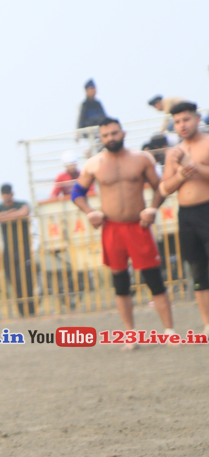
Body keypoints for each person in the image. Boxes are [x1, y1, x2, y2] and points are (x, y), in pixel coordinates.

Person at [73, 118, 174, 349]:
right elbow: (77, 192)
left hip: (138, 226)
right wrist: (90, 212)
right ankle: (130, 335)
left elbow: (160, 188)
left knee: (154, 280)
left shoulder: (141, 159)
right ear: (101, 138)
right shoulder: (94, 164)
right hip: (112, 228)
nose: (110, 138)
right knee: (120, 282)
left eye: (114, 133)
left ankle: (169, 331)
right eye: (105, 135)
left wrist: (152, 209)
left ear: (123, 133)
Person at [160, 102, 209, 333]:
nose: (182, 125)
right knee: (198, 272)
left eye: (186, 119)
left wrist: (193, 166)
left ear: (197, 119)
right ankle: (207, 323)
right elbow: (164, 188)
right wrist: (180, 175)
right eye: (178, 121)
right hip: (187, 215)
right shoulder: (173, 153)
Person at [0, 183, 35, 317]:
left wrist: (1, 217)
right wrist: (9, 214)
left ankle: (31, 309)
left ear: (12, 194)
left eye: (8, 193)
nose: (6, 196)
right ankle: (22, 311)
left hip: (24, 249)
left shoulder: (21, 204)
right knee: (14, 280)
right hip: (8, 251)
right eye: (4, 194)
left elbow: (24, 212)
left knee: (26, 279)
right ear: (1, 195)